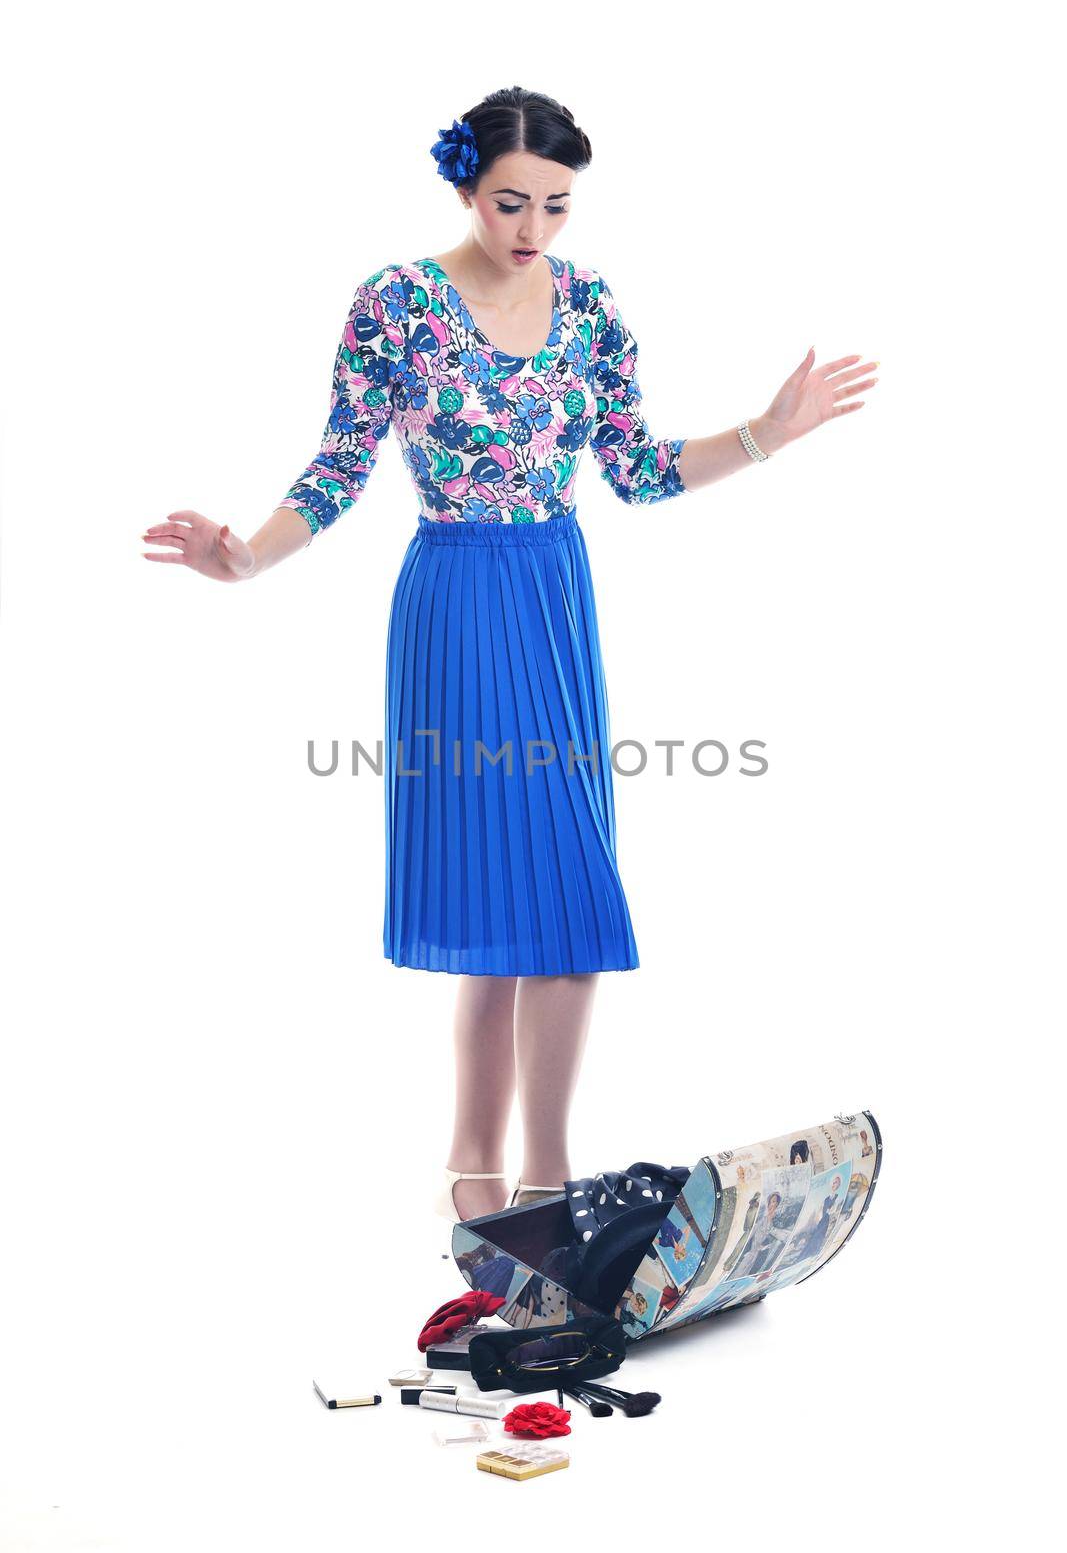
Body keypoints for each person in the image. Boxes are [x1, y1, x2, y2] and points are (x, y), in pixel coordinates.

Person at [141, 86, 879, 1226]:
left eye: (554, 206)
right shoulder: (397, 301)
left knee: (561, 901)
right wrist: (243, 558)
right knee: (507, 902)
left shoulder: (586, 305)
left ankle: (518, 1182)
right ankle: (507, 1183)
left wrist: (766, 434)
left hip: (554, 594)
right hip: (454, 598)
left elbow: (634, 468)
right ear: (463, 186)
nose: (531, 228)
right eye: (507, 202)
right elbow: (337, 467)